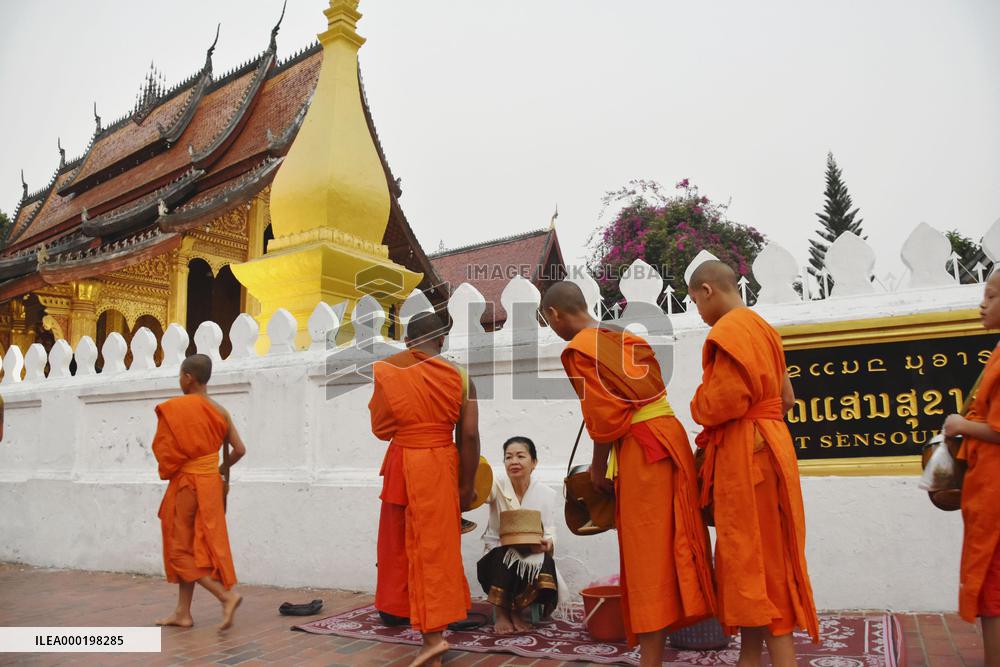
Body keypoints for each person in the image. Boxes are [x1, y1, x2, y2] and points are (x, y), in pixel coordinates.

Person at [540, 281, 715, 667]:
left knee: (646, 552)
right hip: (670, 440)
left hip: (642, 451)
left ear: (554, 314)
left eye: (548, 322)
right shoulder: (625, 336)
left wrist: (599, 466)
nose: (552, 328)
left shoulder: (579, 349)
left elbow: (603, 417)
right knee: (674, 541)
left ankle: (651, 658)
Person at [687, 260, 819, 667]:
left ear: (708, 290)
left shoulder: (727, 330)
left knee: (755, 559)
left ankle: (781, 657)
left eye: (695, 301)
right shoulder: (763, 329)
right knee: (762, 556)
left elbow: (722, 403)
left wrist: (697, 402)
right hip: (773, 444)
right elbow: (788, 398)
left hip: (748, 456)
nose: (698, 311)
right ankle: (748, 657)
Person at [368, 311, 480, 667]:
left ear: (407, 342)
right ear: (442, 340)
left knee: (402, 549)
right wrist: (467, 485)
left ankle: (431, 640)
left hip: (404, 466)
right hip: (440, 468)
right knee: (437, 549)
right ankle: (433, 637)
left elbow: (381, 428)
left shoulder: (390, 369)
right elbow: (469, 436)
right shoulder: (460, 376)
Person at [152, 353, 245, 630]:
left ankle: (226, 597)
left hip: (188, 484)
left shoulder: (176, 408)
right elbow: (239, 449)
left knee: (178, 550)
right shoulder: (220, 410)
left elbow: (165, 452)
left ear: (188, 377)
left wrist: (179, 465)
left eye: (180, 376)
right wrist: (218, 467)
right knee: (193, 545)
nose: (179, 381)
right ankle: (183, 613)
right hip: (210, 483)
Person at [944, 270, 1000, 667]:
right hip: (986, 484)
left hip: (996, 490)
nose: (983, 304)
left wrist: (960, 425)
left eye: (992, 296)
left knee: (994, 590)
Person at [478, 436, 567, 634]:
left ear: (534, 462)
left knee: (543, 559)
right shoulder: (496, 485)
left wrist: (548, 543)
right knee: (506, 555)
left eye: (520, 456)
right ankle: (502, 611)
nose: (514, 461)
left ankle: (518, 610)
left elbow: (549, 529)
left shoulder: (545, 493)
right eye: (508, 457)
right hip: (498, 553)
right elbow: (481, 493)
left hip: (530, 551)